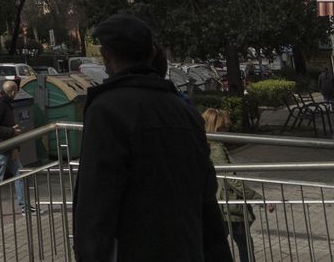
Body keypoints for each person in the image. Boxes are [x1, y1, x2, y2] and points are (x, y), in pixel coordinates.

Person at [72, 14, 231, 262]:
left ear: (106, 56)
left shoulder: (106, 110)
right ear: (152, 53)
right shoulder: (185, 112)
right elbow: (206, 194)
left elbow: (96, 203)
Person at [203, 108, 273, 262]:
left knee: (217, 246)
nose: (228, 131)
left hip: (219, 203)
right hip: (230, 206)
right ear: (217, 129)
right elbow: (232, 180)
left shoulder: (204, 146)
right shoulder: (217, 149)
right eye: (225, 128)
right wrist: (258, 199)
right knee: (244, 246)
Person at [0, 78, 28, 215]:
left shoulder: (5, 102)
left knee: (19, 174)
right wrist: (12, 131)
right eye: (16, 92)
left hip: (9, 146)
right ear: (11, 92)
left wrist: (15, 147)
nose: (16, 95)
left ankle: (24, 206)